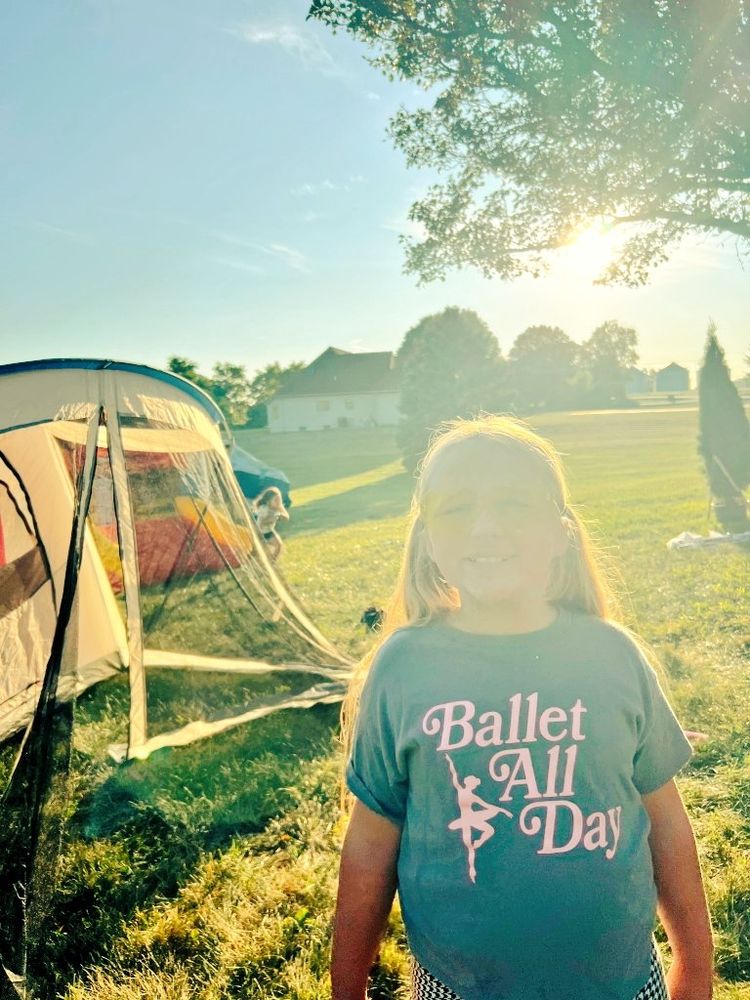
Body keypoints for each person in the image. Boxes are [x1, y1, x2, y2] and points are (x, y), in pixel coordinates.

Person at [331, 415, 713, 1000]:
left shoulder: (611, 655)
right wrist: (347, 988)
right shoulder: (403, 667)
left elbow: (665, 823)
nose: (486, 527)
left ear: (561, 532)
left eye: (514, 503)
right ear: (428, 539)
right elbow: (369, 846)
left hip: (623, 981)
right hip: (458, 985)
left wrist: (696, 964)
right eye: (457, 508)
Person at [252, 486, 289, 561]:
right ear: (268, 501)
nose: (278, 502)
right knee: (260, 552)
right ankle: (257, 560)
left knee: (279, 545)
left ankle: (272, 561)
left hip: (269, 531)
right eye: (276, 500)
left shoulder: (278, 507)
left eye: (279, 500)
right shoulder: (264, 508)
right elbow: (262, 522)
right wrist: (272, 518)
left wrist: (280, 515)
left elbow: (286, 517)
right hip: (260, 533)